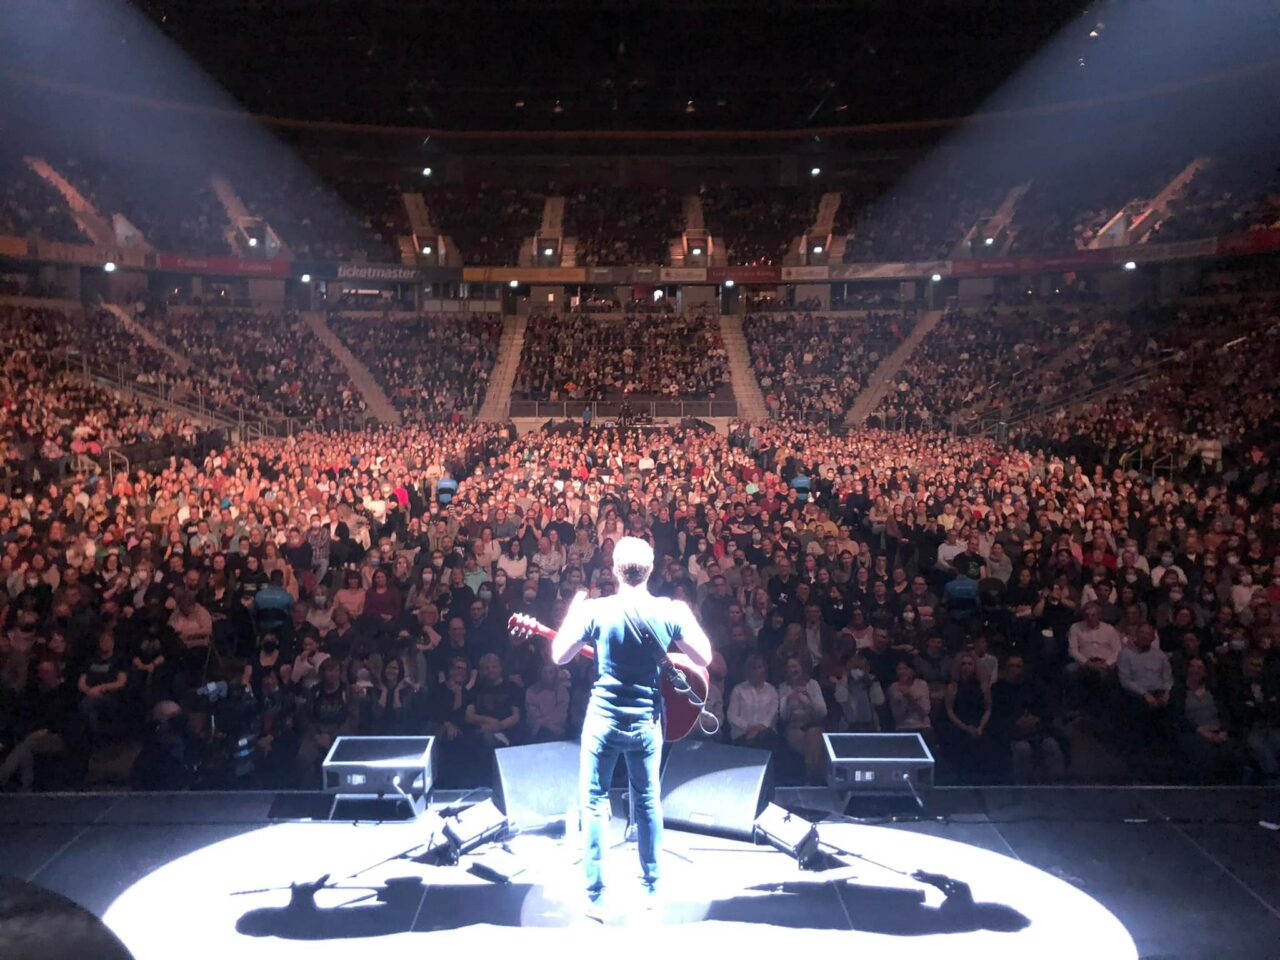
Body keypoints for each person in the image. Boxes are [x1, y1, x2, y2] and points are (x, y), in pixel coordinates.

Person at [551, 536, 712, 912]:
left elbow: (560, 655)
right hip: (646, 721)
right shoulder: (671, 611)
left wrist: (574, 610)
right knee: (647, 801)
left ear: (614, 570)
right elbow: (704, 656)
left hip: (603, 719)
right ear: (651, 570)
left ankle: (595, 895)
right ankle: (650, 889)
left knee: (594, 803)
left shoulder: (596, 610)